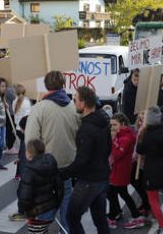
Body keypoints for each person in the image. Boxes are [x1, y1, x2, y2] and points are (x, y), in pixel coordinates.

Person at [25, 71, 80, 233]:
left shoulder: (39, 108)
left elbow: (31, 141)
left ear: (46, 85)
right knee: (66, 207)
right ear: (64, 85)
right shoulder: (73, 106)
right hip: (68, 165)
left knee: (43, 213)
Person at [61, 86, 111, 234]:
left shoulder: (87, 128)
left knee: (72, 217)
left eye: (75, 99)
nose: (73, 102)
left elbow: (82, 160)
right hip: (102, 178)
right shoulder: (103, 121)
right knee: (100, 219)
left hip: (89, 181)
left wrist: (63, 173)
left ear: (83, 103)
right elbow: (108, 148)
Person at [136, 106, 163, 234]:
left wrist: (141, 135)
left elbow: (139, 149)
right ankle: (157, 218)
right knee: (154, 197)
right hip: (162, 165)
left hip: (152, 168)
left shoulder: (147, 133)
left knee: (153, 200)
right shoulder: (162, 129)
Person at [106, 113, 144, 230]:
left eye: (115, 124)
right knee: (121, 193)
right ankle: (121, 214)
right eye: (111, 124)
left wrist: (112, 141)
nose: (112, 127)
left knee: (114, 194)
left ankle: (114, 217)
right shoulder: (121, 135)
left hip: (120, 171)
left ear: (122, 124)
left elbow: (117, 154)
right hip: (117, 170)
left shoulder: (126, 138)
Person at [17, 139, 63, 234]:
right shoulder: (51, 163)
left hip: (36, 212)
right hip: (50, 209)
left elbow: (24, 196)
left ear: (29, 154)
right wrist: (56, 204)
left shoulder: (28, 171)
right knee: (43, 231)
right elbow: (60, 187)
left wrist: (22, 210)